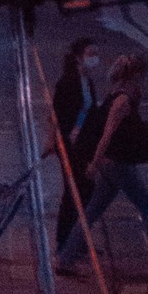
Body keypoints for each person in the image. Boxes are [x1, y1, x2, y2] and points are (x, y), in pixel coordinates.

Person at [56, 53, 148, 279]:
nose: (144, 80)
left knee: (92, 212)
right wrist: (94, 165)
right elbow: (106, 136)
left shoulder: (118, 94)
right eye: (141, 76)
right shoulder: (122, 101)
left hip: (112, 165)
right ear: (134, 75)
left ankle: (66, 259)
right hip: (118, 166)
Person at [48, 36, 102, 247]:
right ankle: (65, 242)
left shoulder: (87, 81)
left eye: (96, 54)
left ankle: (76, 240)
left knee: (86, 191)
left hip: (84, 144)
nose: (94, 58)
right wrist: (51, 139)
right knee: (74, 192)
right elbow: (55, 113)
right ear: (79, 58)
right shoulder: (67, 82)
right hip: (70, 144)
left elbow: (91, 112)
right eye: (90, 54)